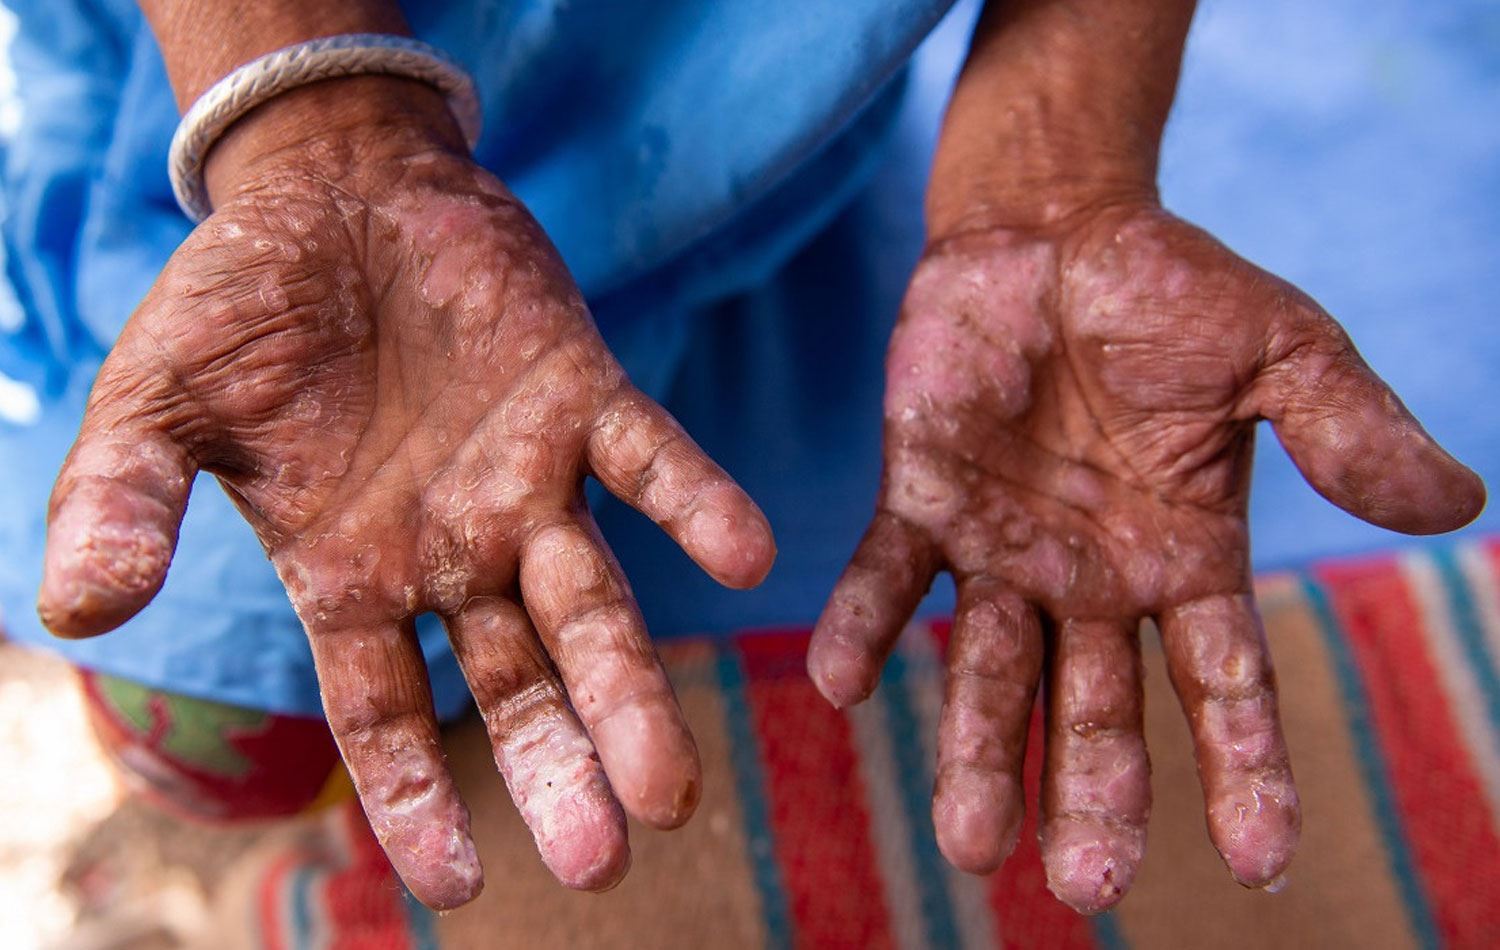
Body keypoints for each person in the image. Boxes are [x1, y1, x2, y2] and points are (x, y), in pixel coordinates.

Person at [0, 0, 1484, 917]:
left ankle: (739, 196)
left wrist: (1053, 173)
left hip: (754, 80)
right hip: (259, 79)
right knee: (225, 721)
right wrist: (313, 140)